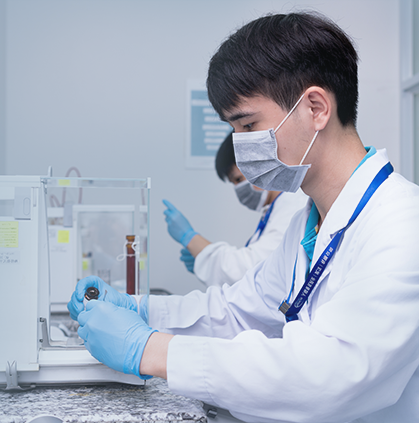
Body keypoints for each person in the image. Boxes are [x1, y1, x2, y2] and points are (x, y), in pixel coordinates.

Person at [68, 12, 419, 422]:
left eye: (248, 125)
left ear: (316, 108)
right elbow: (237, 311)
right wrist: (139, 309)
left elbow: (333, 375)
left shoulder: (401, 224)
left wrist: (150, 350)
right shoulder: (307, 225)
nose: (240, 146)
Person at [163, 132, 308, 287]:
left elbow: (250, 269)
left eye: (238, 179)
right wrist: (203, 259)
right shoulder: (275, 208)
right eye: (234, 183)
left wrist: (191, 239)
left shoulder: (294, 205)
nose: (238, 189)